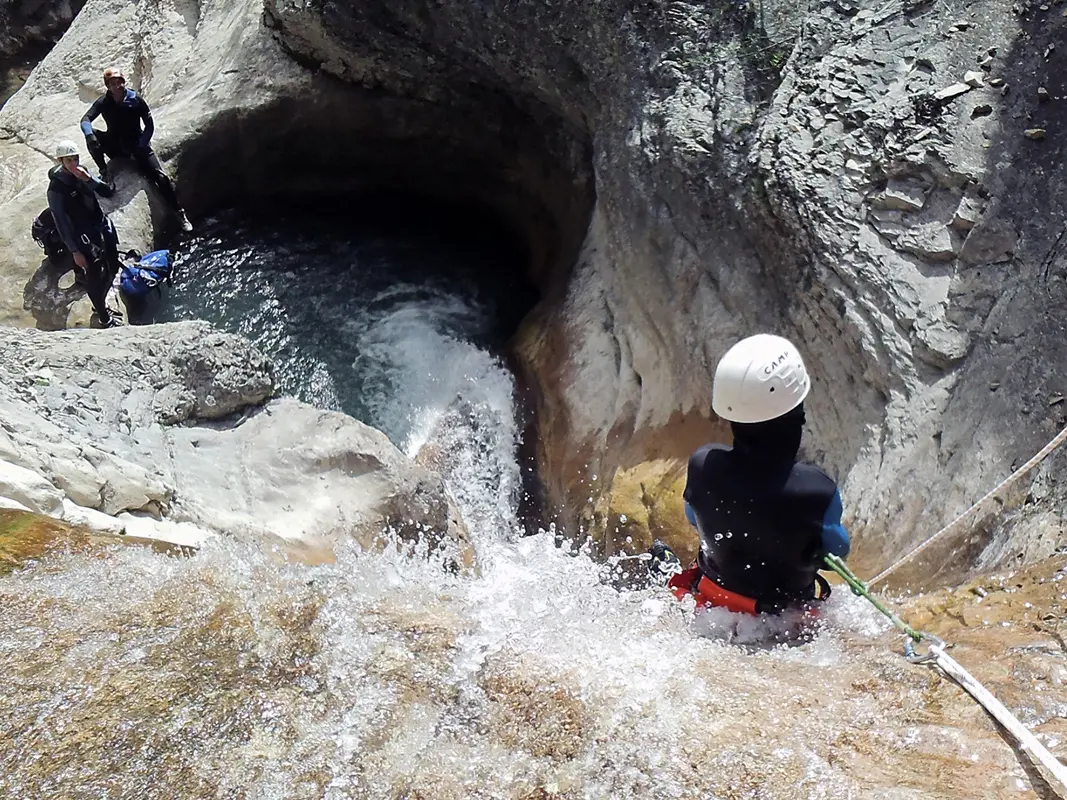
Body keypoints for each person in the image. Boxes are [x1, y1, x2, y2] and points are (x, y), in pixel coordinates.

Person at [651, 333, 850, 615]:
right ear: (798, 414)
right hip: (783, 618)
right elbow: (838, 549)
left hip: (715, 603)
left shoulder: (703, 464)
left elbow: (694, 517)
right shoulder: (817, 490)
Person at [80, 67, 192, 232]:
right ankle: (104, 169)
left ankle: (178, 212)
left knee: (161, 178)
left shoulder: (135, 100)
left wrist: (142, 144)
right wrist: (89, 134)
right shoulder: (104, 102)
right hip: (115, 145)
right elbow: (86, 119)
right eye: (113, 84)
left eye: (120, 82)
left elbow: (149, 125)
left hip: (136, 145)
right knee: (93, 138)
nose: (118, 86)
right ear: (108, 86)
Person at [46, 140, 124, 328]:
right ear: (60, 161)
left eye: (75, 159)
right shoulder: (56, 190)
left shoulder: (83, 173)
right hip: (83, 235)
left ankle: (102, 304)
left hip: (100, 224)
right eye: (68, 160)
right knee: (95, 275)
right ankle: (104, 318)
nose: (73, 164)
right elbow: (61, 222)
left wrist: (88, 179)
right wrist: (75, 251)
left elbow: (107, 193)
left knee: (112, 265)